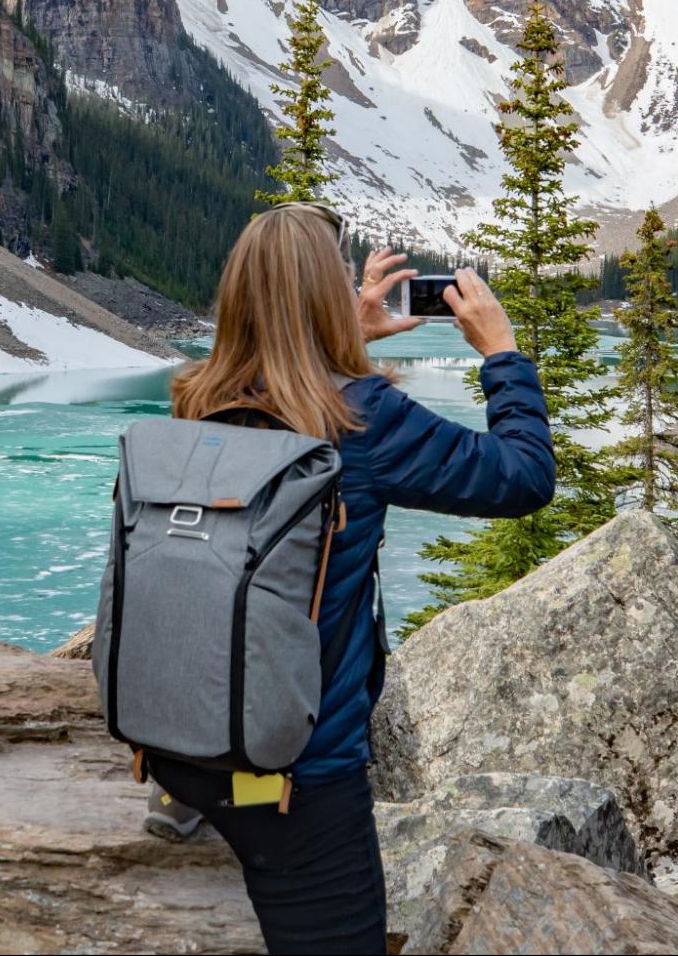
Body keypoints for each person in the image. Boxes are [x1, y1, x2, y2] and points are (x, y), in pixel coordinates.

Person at [146, 202, 555, 955]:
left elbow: (288, 389)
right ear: (321, 299)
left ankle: (182, 794)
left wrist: (339, 339)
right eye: (337, 281)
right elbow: (523, 477)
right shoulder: (362, 417)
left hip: (176, 744)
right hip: (297, 778)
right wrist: (501, 354)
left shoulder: (195, 394)